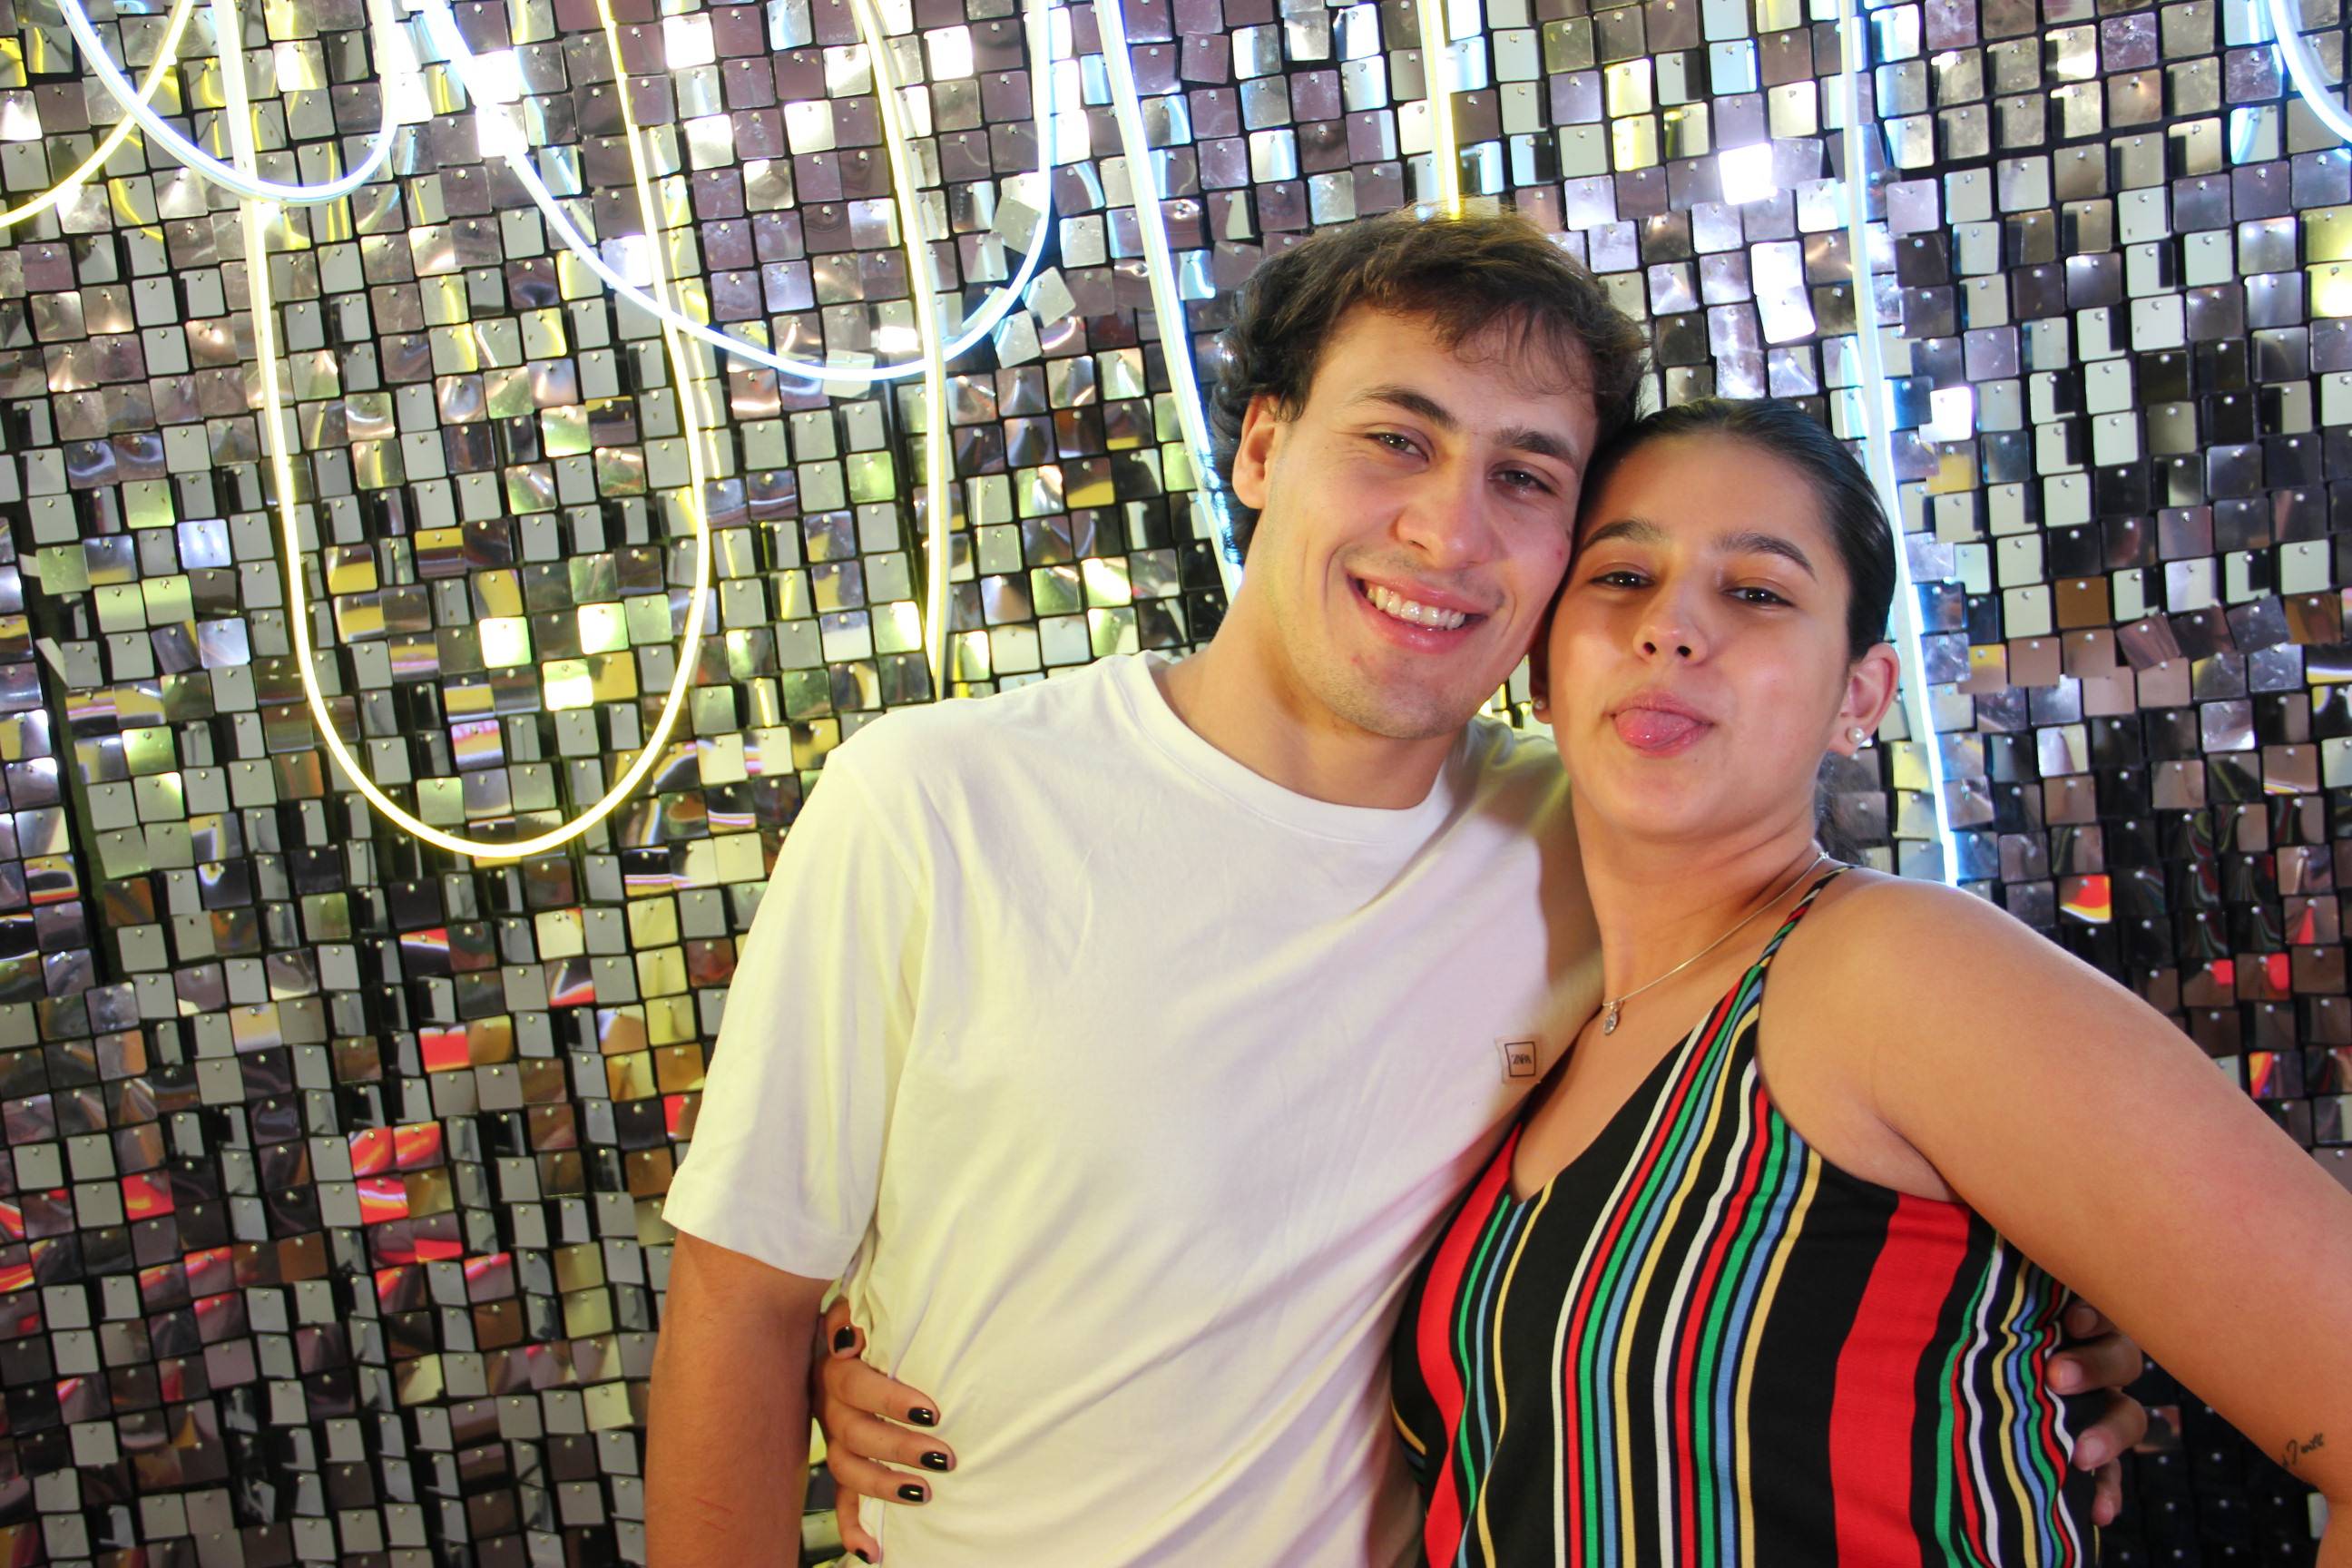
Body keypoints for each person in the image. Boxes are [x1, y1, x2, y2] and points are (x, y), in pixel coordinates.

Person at [644, 211, 2146, 1567]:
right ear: (1260, 448)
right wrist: (845, 1354)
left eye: (1524, 478)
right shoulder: (935, 802)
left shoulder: (1603, 847)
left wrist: (2042, 1325)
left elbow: (1882, 1103)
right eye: (1394, 440)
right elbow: (739, 1307)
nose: (1448, 530)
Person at [1388, 398, 2352, 1564]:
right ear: (1544, 663)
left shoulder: (1899, 971)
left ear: (1861, 695)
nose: (1671, 629)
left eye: (1757, 592)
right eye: (1623, 577)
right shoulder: (1554, 1028)